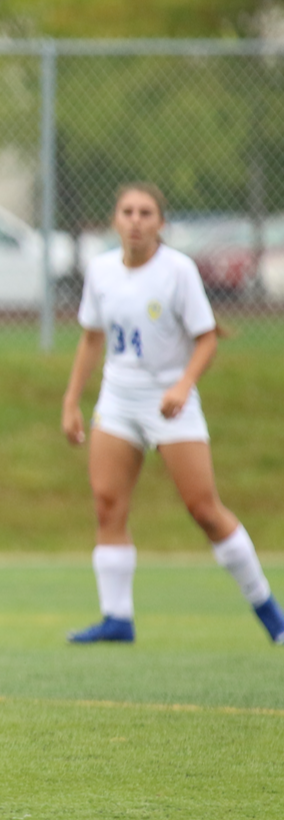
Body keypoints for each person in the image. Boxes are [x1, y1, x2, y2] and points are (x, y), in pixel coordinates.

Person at [60, 181, 283, 644]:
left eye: (146, 213)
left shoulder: (177, 271)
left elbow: (206, 338)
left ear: (161, 223)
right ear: (114, 220)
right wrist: (72, 401)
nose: (136, 221)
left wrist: (183, 385)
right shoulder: (101, 271)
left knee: (204, 509)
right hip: (118, 400)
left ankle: (269, 611)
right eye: (127, 212)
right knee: (107, 504)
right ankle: (116, 618)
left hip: (169, 401)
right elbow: (91, 338)